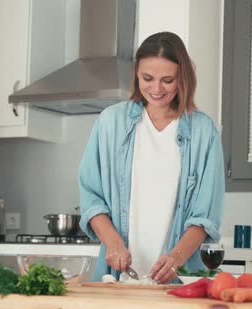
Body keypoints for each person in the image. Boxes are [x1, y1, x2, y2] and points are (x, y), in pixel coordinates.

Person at [78, 31, 224, 284]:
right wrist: (113, 243)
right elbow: (92, 197)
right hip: (118, 277)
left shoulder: (203, 132)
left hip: (180, 279)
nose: (156, 89)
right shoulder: (110, 122)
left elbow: (205, 216)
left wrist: (176, 258)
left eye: (168, 80)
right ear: (136, 74)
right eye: (148, 78)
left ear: (183, 79)